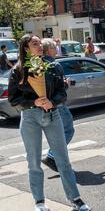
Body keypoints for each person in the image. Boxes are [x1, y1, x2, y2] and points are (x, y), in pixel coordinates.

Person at [8, 34, 90, 211]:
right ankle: (39, 200)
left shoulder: (53, 66)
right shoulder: (18, 70)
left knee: (63, 160)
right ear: (26, 48)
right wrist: (33, 103)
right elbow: (13, 99)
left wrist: (53, 102)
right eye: (34, 44)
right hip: (30, 118)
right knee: (34, 161)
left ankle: (74, 198)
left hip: (53, 116)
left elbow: (62, 92)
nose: (39, 46)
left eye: (39, 43)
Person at [40, 39, 75, 173]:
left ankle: (57, 160)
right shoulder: (54, 64)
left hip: (43, 105)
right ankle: (52, 156)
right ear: (49, 50)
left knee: (55, 133)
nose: (56, 51)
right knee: (68, 131)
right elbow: (59, 88)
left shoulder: (37, 64)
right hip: (57, 104)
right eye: (55, 48)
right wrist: (66, 83)